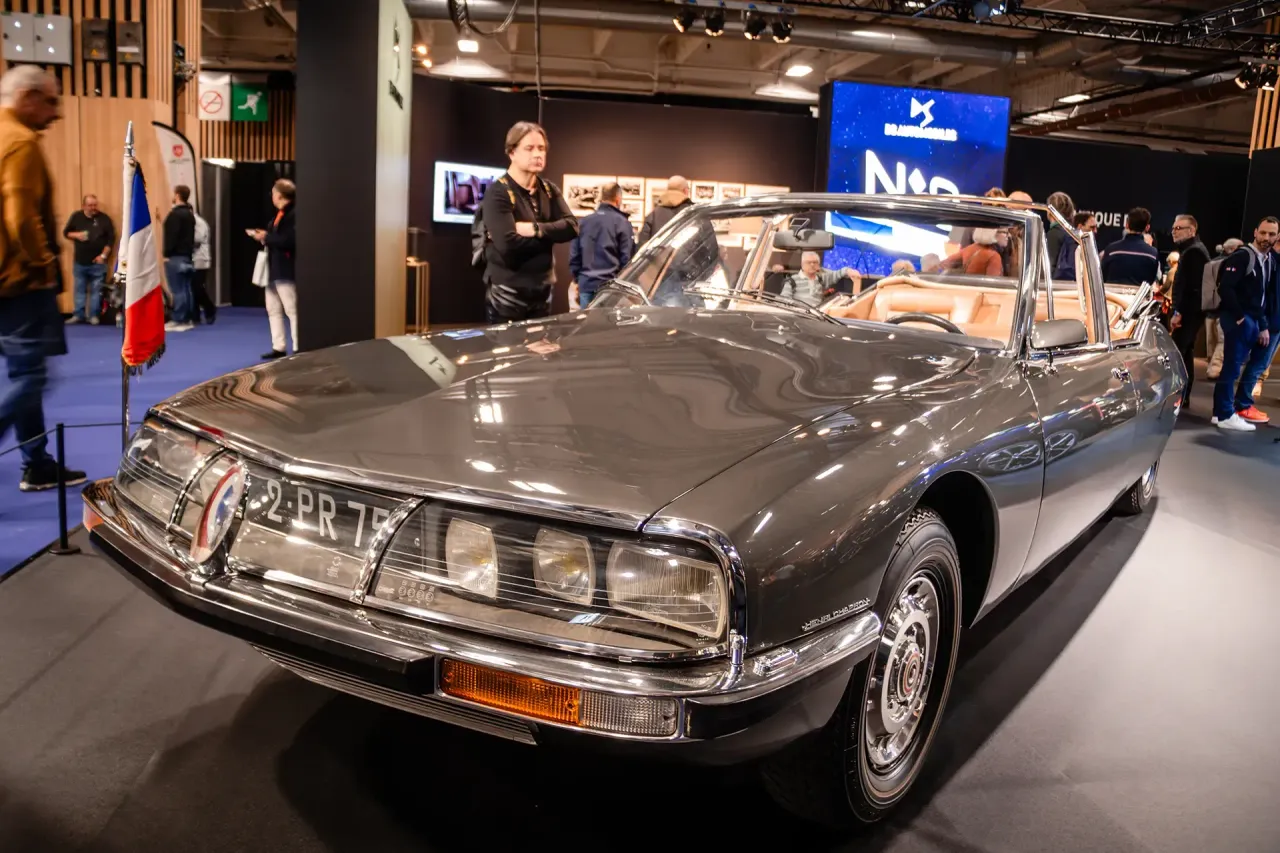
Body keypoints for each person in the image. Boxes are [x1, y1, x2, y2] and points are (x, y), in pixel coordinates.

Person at [0, 66, 85, 491]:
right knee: (32, 376)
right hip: (20, 285)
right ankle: (36, 462)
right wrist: (45, 264)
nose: (57, 113)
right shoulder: (21, 143)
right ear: (27, 97)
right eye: (51, 101)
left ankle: (36, 463)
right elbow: (20, 218)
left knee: (24, 376)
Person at [479, 121, 578, 324]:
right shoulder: (498, 192)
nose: (537, 154)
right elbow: (508, 245)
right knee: (509, 345)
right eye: (529, 148)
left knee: (539, 343)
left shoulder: (549, 189)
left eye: (541, 148)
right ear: (512, 152)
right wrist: (551, 237)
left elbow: (572, 227)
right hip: (508, 294)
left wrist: (535, 229)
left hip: (542, 291)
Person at [1212, 217, 1280, 431]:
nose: (1266, 237)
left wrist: (1261, 323)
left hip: (1252, 319)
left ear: (1277, 237)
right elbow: (1225, 288)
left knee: (1233, 366)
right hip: (1238, 319)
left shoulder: (1268, 260)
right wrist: (1240, 317)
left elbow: (1259, 296)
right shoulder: (1243, 256)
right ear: (1255, 232)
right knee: (1232, 367)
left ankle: (1221, 413)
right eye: (1263, 232)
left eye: (1271, 234)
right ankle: (1224, 414)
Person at [249, 179, 296, 358]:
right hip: (273, 268)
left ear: (280, 195)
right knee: (273, 309)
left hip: (285, 269)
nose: (272, 197)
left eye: (273, 193)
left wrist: (266, 237)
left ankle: (298, 347)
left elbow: (289, 240)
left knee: (291, 309)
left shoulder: (293, 215)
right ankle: (279, 346)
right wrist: (264, 236)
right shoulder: (278, 215)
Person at [568, 182, 633, 308]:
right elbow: (626, 258)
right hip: (611, 287)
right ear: (618, 199)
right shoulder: (622, 223)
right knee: (608, 321)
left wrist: (577, 280)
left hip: (587, 283)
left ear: (602, 198)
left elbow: (574, 256)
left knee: (588, 320)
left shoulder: (583, 222)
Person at [1168, 215, 1210, 409]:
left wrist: (1178, 312)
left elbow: (1191, 287)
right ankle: (1182, 396)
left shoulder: (1194, 252)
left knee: (1179, 353)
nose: (1174, 232)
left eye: (1179, 228)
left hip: (1189, 313)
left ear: (1191, 230)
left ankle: (1180, 394)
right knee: (1184, 353)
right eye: (1173, 228)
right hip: (1191, 312)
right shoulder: (1193, 250)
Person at [61, 193, 114, 324]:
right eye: (90, 205)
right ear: (84, 206)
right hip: (80, 262)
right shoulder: (76, 217)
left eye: (95, 205)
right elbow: (66, 233)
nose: (93, 208)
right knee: (79, 290)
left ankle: (94, 316)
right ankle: (78, 315)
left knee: (96, 291)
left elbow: (111, 239)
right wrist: (76, 235)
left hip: (98, 263)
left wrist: (103, 256)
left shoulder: (104, 219)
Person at [1206, 237, 1245, 380]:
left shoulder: (1210, 263)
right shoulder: (1233, 264)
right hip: (1224, 309)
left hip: (1209, 309)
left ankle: (1211, 366)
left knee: (1211, 342)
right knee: (1222, 342)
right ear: (1233, 249)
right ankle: (1214, 370)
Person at [161, 184, 196, 332]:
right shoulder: (189, 214)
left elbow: (172, 237)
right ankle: (188, 318)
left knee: (177, 289)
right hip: (187, 256)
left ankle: (179, 319)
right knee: (186, 289)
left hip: (175, 257)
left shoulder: (175, 215)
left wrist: (166, 254)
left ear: (177, 195)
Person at [1100, 207, 1160, 286]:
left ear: (1127, 225)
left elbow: (1102, 276)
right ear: (1147, 227)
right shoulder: (1152, 253)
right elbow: (1151, 280)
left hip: (1111, 293)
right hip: (1140, 293)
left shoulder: (1111, 250)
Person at [779, 252, 858, 306]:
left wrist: (848, 270)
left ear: (818, 265)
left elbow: (837, 273)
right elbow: (783, 299)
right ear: (802, 264)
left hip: (818, 315)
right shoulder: (792, 281)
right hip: (800, 314)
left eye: (815, 262)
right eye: (809, 262)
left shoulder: (821, 279)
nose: (812, 265)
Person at [637, 176, 693, 247]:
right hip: (685, 254)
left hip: (659, 253)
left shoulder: (654, 214)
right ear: (685, 191)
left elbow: (642, 244)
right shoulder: (692, 212)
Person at [191, 209, 216, 324]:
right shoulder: (192, 222)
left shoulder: (199, 223)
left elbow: (198, 240)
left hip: (201, 259)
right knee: (193, 289)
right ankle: (195, 316)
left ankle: (210, 308)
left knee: (198, 288)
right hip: (193, 259)